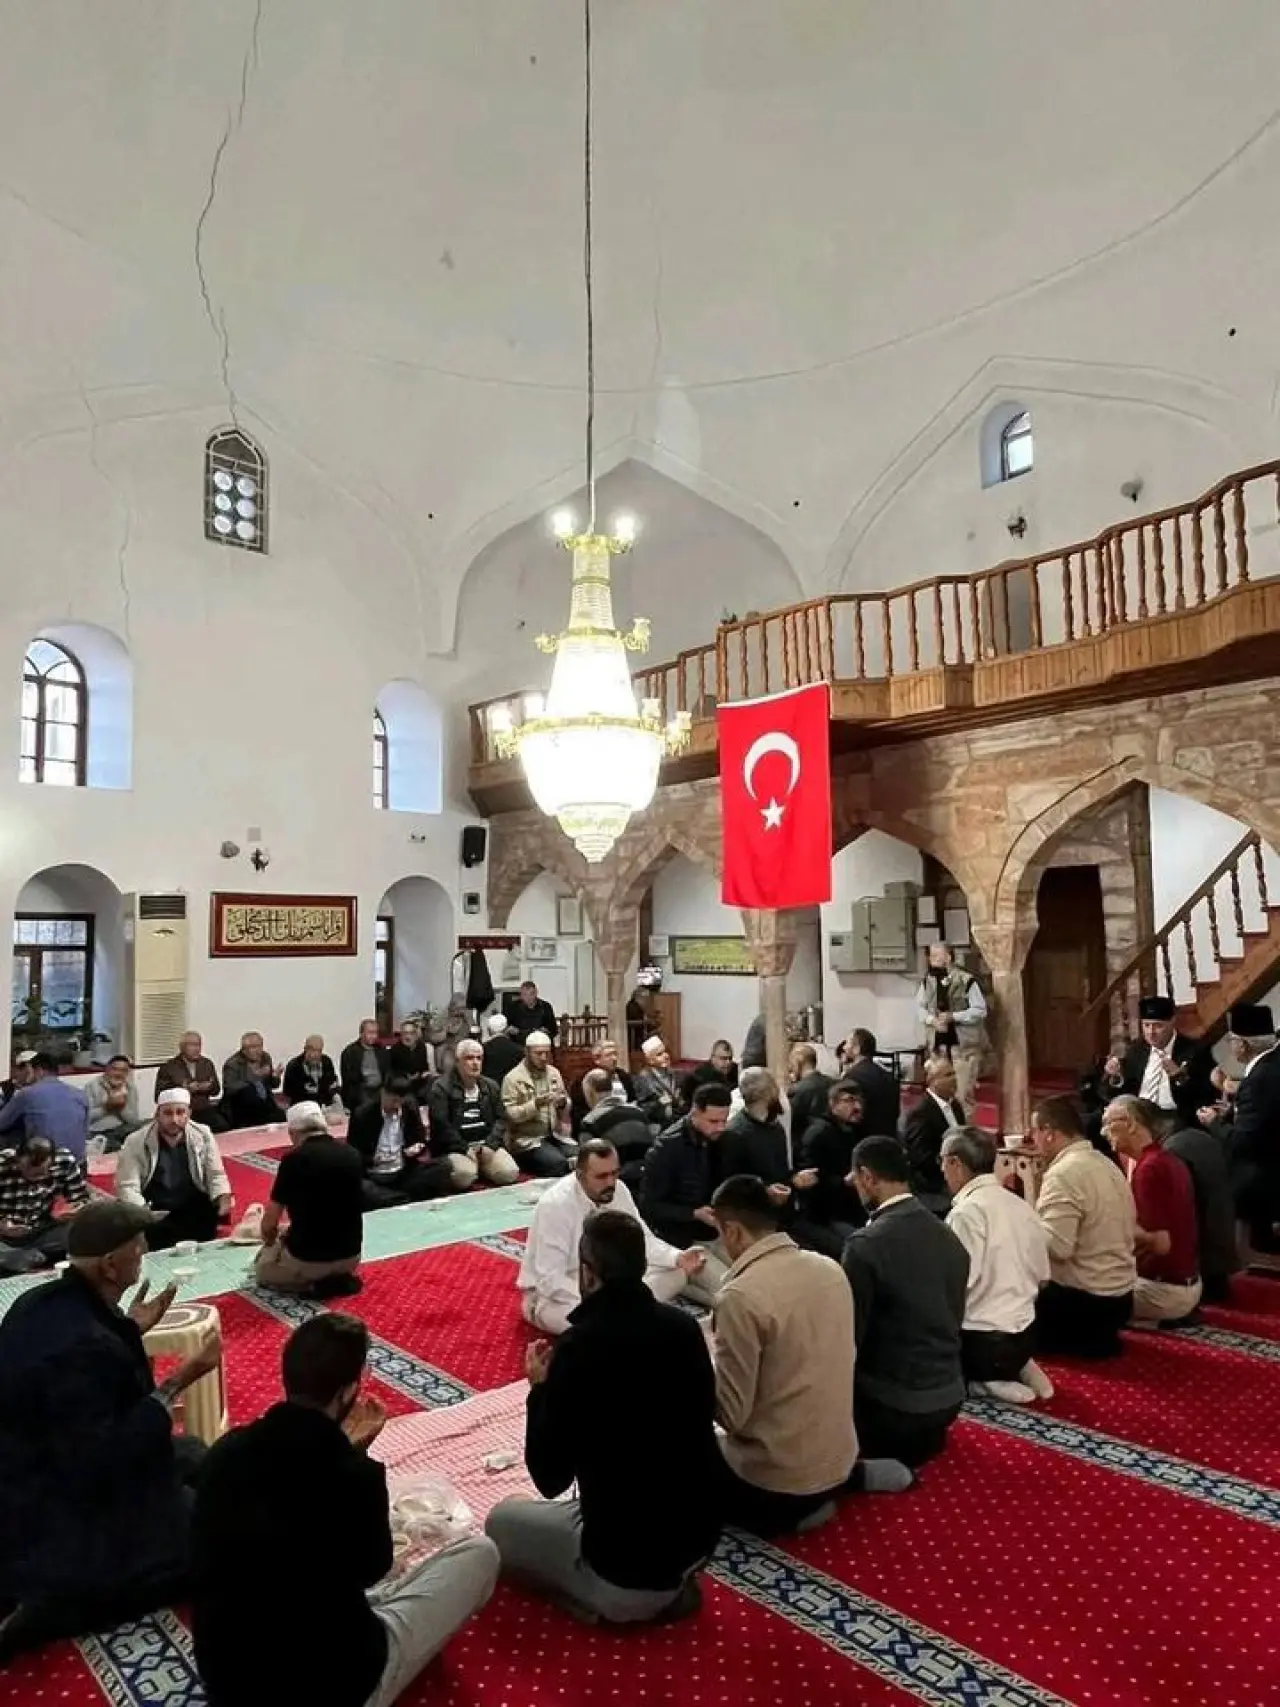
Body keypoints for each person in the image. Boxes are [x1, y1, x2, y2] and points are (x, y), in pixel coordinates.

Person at [192, 1313, 498, 1707]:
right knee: (479, 1555)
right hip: (333, 1684)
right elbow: (373, 1568)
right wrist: (357, 1457)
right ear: (348, 1391)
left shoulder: (225, 1453)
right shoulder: (353, 1475)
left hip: (229, 1681)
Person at [0, 1201, 219, 1658]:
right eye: (138, 1248)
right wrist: (182, 1377)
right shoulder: (89, 1346)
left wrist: (129, 1328)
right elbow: (104, 1458)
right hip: (63, 1508)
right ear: (110, 1265)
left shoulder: (36, 1303)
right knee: (208, 1539)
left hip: (40, 1467)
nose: (145, 1254)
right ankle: (47, 1608)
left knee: (195, 1453)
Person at [486, 1210, 719, 1626]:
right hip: (695, 1545)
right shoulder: (684, 1329)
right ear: (642, 1267)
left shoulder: (580, 1349)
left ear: (589, 1275)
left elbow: (549, 1478)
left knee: (501, 1521)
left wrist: (540, 1390)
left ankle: (598, 1605)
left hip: (623, 1571)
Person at [710, 1175, 858, 1536]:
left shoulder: (740, 1296)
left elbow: (731, 1415)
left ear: (732, 1231)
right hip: (840, 1462)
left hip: (776, 1486)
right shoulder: (830, 1268)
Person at [843, 1136, 969, 1468]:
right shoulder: (948, 1237)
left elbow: (850, 1338)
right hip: (948, 1400)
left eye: (856, 1180)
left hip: (891, 1408)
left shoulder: (865, 1245)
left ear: (868, 1177)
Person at [518, 1139, 706, 1334]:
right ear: (580, 1175)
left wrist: (677, 1257)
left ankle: (623, 1318)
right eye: (601, 1176)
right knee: (583, 1321)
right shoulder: (555, 1205)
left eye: (615, 1173)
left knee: (676, 1272)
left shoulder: (619, 1190)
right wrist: (604, 1301)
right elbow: (549, 1279)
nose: (610, 1183)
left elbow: (642, 1241)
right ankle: (626, 1318)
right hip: (563, 1292)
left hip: (611, 1283)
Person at [940, 1126, 1054, 1403]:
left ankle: (984, 1382)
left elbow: (958, 1285)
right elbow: (1043, 1277)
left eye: (942, 1161)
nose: (941, 1170)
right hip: (1026, 1336)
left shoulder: (966, 1213)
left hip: (983, 1343)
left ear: (955, 1163)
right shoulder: (1021, 1206)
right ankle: (1018, 1366)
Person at [1030, 1095, 1136, 1357]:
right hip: (1121, 1298)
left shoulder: (1064, 1173)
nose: (1032, 1139)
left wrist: (1023, 1224)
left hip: (1083, 1304)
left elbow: (1058, 1247)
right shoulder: (1106, 1164)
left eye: (1034, 1131)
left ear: (1049, 1133)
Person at [1102, 1095, 1202, 1326]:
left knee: (1074, 1295)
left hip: (1164, 1292)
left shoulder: (1149, 1168)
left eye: (1108, 1123)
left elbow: (1160, 1244)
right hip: (1185, 1284)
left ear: (1131, 1123)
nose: (1103, 1131)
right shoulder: (1165, 1159)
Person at [255, 1102, 366, 1298]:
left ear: (293, 1133)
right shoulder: (352, 1154)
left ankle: (310, 1285)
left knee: (262, 1268)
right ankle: (337, 1279)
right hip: (351, 1258)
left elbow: (269, 1224)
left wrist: (271, 1246)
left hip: (309, 1261)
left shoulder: (293, 1161)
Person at [639, 1082, 735, 1304]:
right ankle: (683, 1283)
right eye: (713, 1121)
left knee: (753, 1277)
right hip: (681, 1238)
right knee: (730, 1293)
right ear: (695, 1112)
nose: (720, 1127)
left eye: (724, 1121)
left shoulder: (721, 1140)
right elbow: (649, 1207)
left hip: (714, 1230)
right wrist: (693, 1213)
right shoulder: (666, 1149)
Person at [115, 1087, 235, 1248]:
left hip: (192, 1207)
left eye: (180, 1112)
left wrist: (222, 1196)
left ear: (189, 1113)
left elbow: (215, 1174)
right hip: (155, 1210)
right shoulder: (136, 1141)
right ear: (157, 1114)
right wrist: (144, 1213)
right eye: (168, 1113)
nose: (174, 1119)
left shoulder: (202, 1134)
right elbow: (127, 1186)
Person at [1208, 1003, 1280, 1255]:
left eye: (1232, 1040)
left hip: (1263, 1184)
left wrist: (1215, 1123)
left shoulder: (1259, 1079)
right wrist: (1232, 1112)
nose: (1230, 1045)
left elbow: (1243, 1142)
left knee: (1255, 1256)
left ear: (1244, 1045)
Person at [1107, 996, 1214, 1128]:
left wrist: (1178, 1077)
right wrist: (1116, 1076)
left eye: (1158, 1026)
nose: (1151, 1032)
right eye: (1146, 1025)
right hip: (1139, 1114)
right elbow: (1123, 1091)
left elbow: (1202, 1096)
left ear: (1172, 1021)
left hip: (1174, 1117)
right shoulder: (1137, 1050)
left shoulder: (1195, 1051)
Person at [348, 1076, 457, 1205]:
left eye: (400, 1102)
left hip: (403, 1172)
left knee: (443, 1165)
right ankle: (399, 1198)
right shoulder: (362, 1114)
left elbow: (420, 1139)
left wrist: (413, 1149)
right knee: (359, 1186)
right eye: (393, 1101)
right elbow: (352, 1152)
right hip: (374, 1175)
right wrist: (374, 1159)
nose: (396, 1106)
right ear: (383, 1093)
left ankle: (395, 1198)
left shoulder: (409, 1109)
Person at [427, 1039, 521, 1187]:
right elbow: (442, 1126)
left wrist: (490, 1145)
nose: (475, 1063)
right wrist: (465, 1149)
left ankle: (482, 1166)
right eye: (469, 1058)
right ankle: (473, 1168)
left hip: (485, 1145)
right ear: (457, 1062)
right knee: (464, 1176)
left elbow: (501, 1119)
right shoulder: (441, 1088)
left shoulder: (491, 1086)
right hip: (456, 1148)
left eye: (479, 1058)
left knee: (509, 1173)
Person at [0, 1135, 90, 1275]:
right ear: (17, 1159)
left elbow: (80, 1199)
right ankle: (27, 1258)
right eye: (26, 1170)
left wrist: (70, 1212)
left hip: (41, 1229)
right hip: (4, 1236)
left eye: (40, 1174)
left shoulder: (64, 1162)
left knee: (88, 1230)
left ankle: (27, 1258)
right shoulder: (3, 1165)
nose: (33, 1178)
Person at [916, 943, 987, 1114]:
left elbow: (980, 1010)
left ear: (948, 957)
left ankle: (964, 1128)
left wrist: (953, 1016)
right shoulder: (928, 982)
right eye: (931, 955)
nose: (931, 959)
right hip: (939, 1049)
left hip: (962, 1048)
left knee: (963, 1096)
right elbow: (919, 1008)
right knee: (939, 1095)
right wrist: (932, 1020)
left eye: (936, 955)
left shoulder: (966, 980)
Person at [796, 1080, 868, 1246]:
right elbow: (811, 1182)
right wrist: (843, 1182)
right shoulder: (818, 1134)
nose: (857, 1107)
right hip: (826, 1217)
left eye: (859, 1101)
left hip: (850, 1210)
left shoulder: (852, 1130)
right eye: (849, 1100)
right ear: (833, 1104)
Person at [500, 1032, 573, 1178]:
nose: (544, 1058)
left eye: (547, 1053)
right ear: (527, 1052)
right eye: (538, 1053)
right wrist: (535, 1105)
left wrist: (563, 1103)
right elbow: (510, 1115)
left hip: (553, 1135)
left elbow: (566, 1102)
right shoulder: (513, 1079)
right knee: (558, 1164)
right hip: (526, 1140)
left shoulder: (553, 1073)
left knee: (581, 1157)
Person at [898, 1052, 965, 1212]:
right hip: (936, 1185)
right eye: (948, 1075)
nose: (954, 1079)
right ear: (932, 1081)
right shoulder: (920, 1113)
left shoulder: (955, 1106)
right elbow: (920, 1157)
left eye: (954, 1073)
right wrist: (950, 1168)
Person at [0, 1053, 89, 1163]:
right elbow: (86, 1131)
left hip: (46, 1162)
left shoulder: (28, 1093)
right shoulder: (80, 1094)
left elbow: (2, 1123)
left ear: (39, 1070)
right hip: (77, 1162)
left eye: (29, 1071)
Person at [578, 1068, 654, 1183]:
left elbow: (590, 1165)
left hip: (615, 1183)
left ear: (590, 1092)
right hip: (648, 1179)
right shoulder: (639, 1113)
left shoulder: (590, 1121)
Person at [155, 1032, 223, 1129]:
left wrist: (208, 1087)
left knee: (222, 1126)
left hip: (204, 1110)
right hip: (180, 1112)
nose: (197, 1049)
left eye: (199, 1045)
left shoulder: (207, 1064)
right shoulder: (169, 1067)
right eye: (192, 1045)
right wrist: (185, 1089)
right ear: (182, 1047)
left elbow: (216, 1090)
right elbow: (158, 1096)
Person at [840, 1029, 901, 1137]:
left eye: (847, 1043)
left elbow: (847, 1115)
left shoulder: (852, 1076)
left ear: (857, 1049)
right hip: (888, 1135)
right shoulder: (887, 1075)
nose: (844, 1047)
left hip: (863, 1137)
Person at [569, 1038, 635, 1134]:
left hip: (626, 1123)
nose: (614, 1058)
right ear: (597, 1059)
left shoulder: (623, 1076)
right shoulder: (582, 1080)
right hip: (598, 1128)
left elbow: (633, 1100)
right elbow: (579, 1114)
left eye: (615, 1054)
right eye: (609, 1055)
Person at [220, 1032, 281, 1130]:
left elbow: (273, 1085)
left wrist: (275, 1077)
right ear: (244, 1050)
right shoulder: (232, 1064)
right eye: (254, 1047)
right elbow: (230, 1088)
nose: (258, 1051)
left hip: (265, 1103)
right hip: (242, 1107)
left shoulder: (265, 1057)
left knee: (282, 1118)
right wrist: (255, 1077)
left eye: (260, 1046)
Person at [84, 1055, 145, 1150]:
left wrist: (121, 1108)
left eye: (123, 1070)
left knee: (147, 1131)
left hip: (122, 1129)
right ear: (106, 1070)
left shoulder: (130, 1088)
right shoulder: (92, 1086)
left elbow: (134, 1121)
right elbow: (86, 1118)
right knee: (114, 1146)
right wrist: (106, 1108)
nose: (119, 1074)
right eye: (115, 1069)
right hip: (98, 1131)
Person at [633, 1034, 684, 1130]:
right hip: (657, 1125)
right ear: (650, 1061)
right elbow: (643, 1108)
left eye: (665, 1052)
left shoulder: (676, 1074)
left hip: (677, 1121)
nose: (666, 1056)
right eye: (659, 1054)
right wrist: (659, 1103)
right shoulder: (643, 1079)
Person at [340, 1019, 390, 1114]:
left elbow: (387, 1072)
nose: (374, 1036)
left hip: (380, 1089)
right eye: (370, 1033)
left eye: (375, 1033)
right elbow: (348, 1079)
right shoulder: (350, 1052)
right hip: (361, 1090)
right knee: (367, 1103)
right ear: (361, 1033)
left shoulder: (381, 1050)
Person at [787, 1044, 834, 1136]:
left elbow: (792, 1121)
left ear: (799, 1061)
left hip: (806, 1138)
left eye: (792, 1064)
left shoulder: (797, 1089)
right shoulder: (833, 1083)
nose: (791, 1068)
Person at [281, 1035, 340, 1108]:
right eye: (313, 1050)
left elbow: (332, 1082)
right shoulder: (294, 1066)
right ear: (306, 1049)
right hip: (302, 1106)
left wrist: (334, 1094)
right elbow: (288, 1092)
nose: (317, 1054)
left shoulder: (327, 1061)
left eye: (319, 1050)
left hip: (325, 1105)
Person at [386, 1018, 435, 1102]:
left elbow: (426, 1068)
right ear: (401, 1035)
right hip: (402, 1082)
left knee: (432, 1083)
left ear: (416, 1035)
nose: (407, 1037)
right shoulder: (394, 1050)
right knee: (403, 1084)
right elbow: (391, 1071)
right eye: (405, 1033)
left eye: (411, 1033)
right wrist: (406, 1076)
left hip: (421, 1080)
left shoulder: (423, 1047)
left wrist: (422, 1074)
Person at [681, 1039, 738, 1106]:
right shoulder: (700, 1075)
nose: (728, 1062)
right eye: (723, 1058)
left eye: (730, 1058)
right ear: (713, 1058)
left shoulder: (735, 1070)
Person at [506, 980, 559, 1044]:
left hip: (540, 1043)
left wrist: (545, 1031)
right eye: (525, 994)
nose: (528, 998)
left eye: (531, 994)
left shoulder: (546, 1007)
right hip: (519, 1044)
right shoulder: (513, 1007)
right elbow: (505, 1028)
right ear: (521, 995)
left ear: (536, 993)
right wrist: (511, 1030)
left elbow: (553, 1030)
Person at [482, 1012, 524, 1085]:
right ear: (507, 1029)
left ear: (488, 1030)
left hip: (488, 1089)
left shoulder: (482, 1049)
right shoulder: (519, 1050)